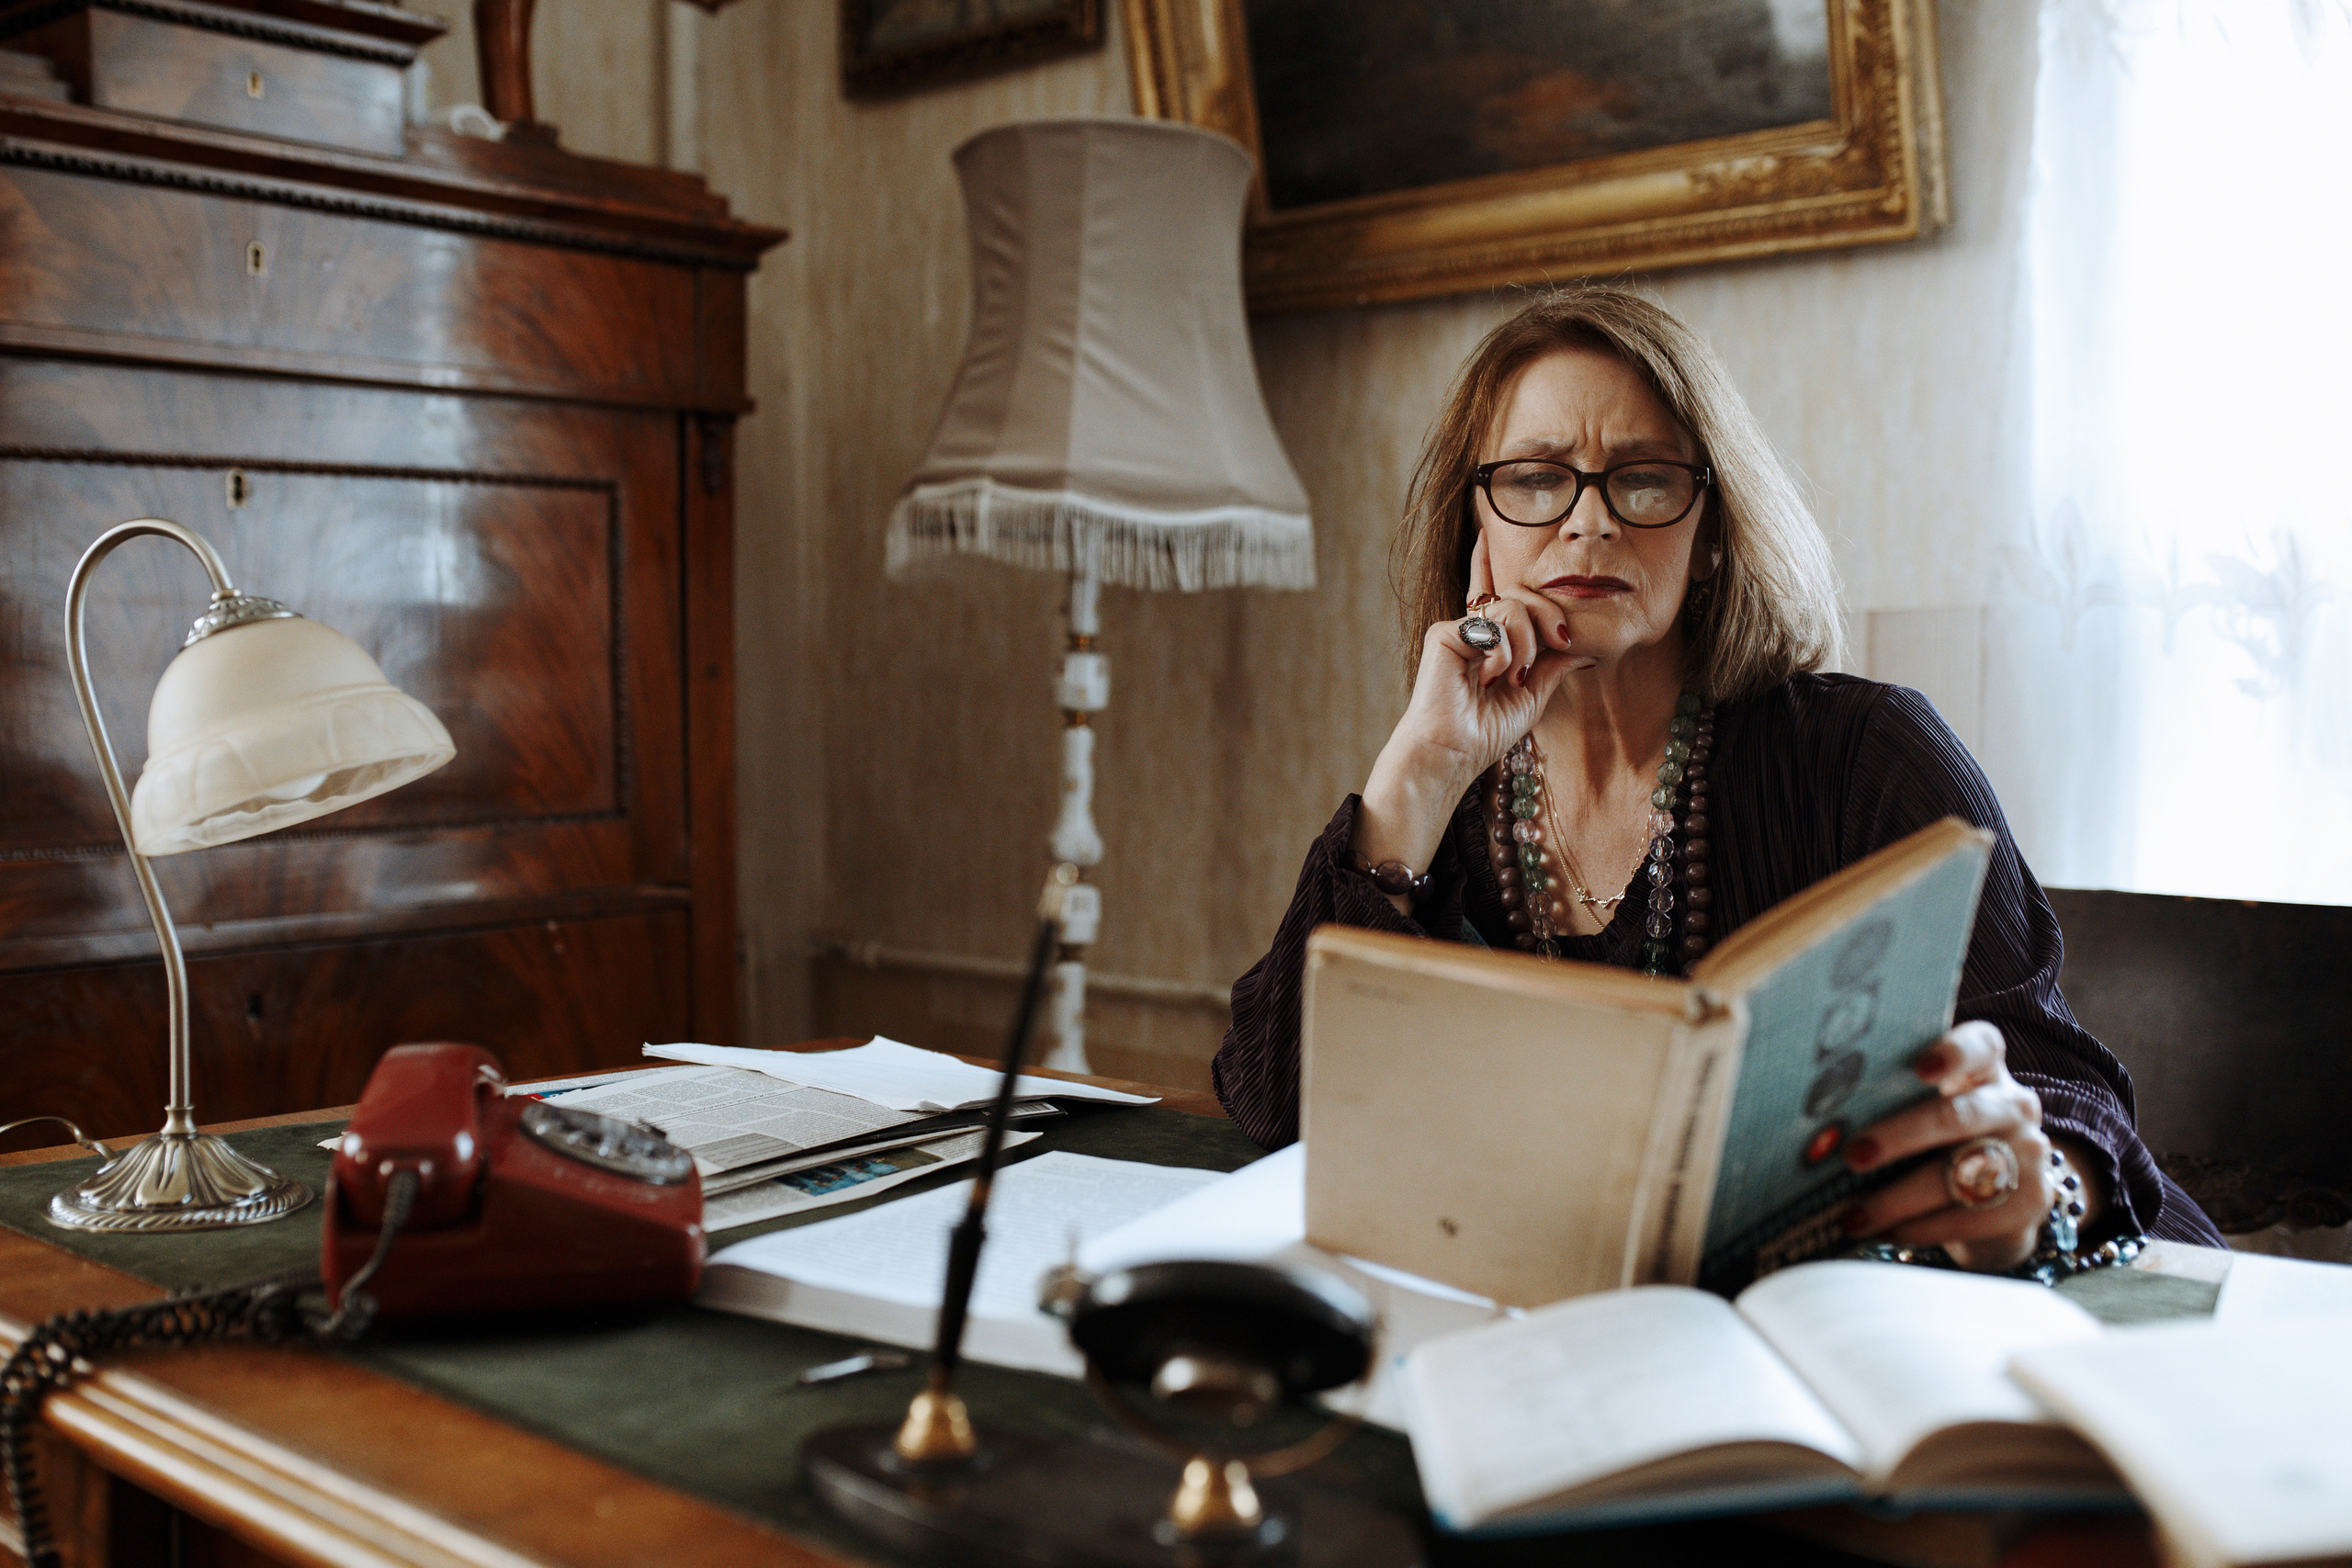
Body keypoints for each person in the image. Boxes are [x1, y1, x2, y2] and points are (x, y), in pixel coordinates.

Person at [1215, 285, 2223, 1271]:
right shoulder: (1451, 801)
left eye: (1643, 478)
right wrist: (1417, 778)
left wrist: (2028, 1180)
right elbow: (1271, 1103)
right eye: (1534, 478)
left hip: (1952, 1315)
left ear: (1707, 535)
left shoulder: (1863, 751)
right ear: (1475, 527)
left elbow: (2064, 1092)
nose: (1588, 522)